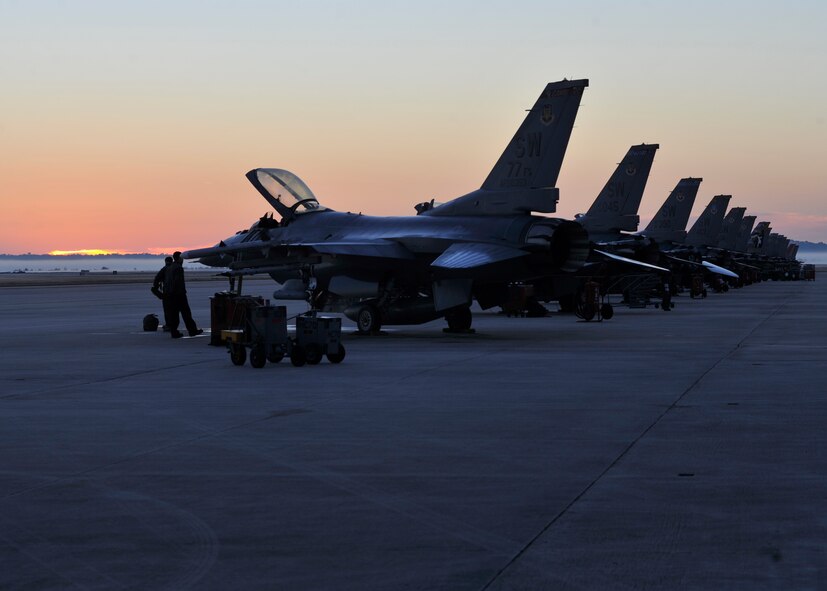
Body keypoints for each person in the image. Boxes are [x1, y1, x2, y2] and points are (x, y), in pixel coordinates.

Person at [165, 251, 203, 339]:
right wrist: (179, 292)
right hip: (179, 294)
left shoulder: (170, 267)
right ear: (179, 258)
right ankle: (192, 331)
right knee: (186, 313)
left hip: (172, 294)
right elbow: (177, 282)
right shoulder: (178, 268)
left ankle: (174, 332)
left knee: (175, 314)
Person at [152, 257, 174, 331]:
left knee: (167, 310)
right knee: (174, 310)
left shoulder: (164, 269)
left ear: (165, 261)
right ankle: (173, 325)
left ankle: (169, 325)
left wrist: (156, 287)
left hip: (167, 293)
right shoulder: (175, 268)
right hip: (176, 292)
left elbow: (157, 279)